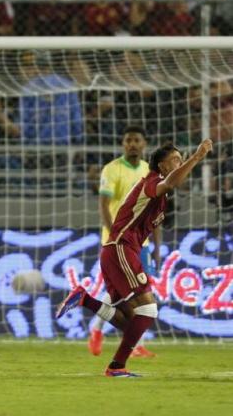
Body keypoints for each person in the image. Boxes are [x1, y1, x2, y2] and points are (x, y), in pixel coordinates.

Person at [56, 139, 213, 377]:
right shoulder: (152, 182)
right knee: (149, 310)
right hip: (121, 248)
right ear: (161, 165)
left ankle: (85, 300)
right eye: (175, 160)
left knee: (131, 323)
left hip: (119, 251)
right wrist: (197, 157)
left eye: (181, 159)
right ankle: (116, 366)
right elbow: (172, 181)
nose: (179, 163)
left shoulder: (159, 191)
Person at [89, 125, 160, 358]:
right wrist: (114, 236)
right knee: (126, 291)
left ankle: (101, 330)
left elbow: (154, 210)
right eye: (128, 140)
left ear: (144, 144)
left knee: (127, 293)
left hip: (141, 243)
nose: (132, 144)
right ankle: (110, 334)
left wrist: (157, 245)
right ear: (123, 144)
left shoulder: (149, 171)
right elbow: (103, 205)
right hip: (118, 242)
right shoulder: (112, 169)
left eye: (136, 140)